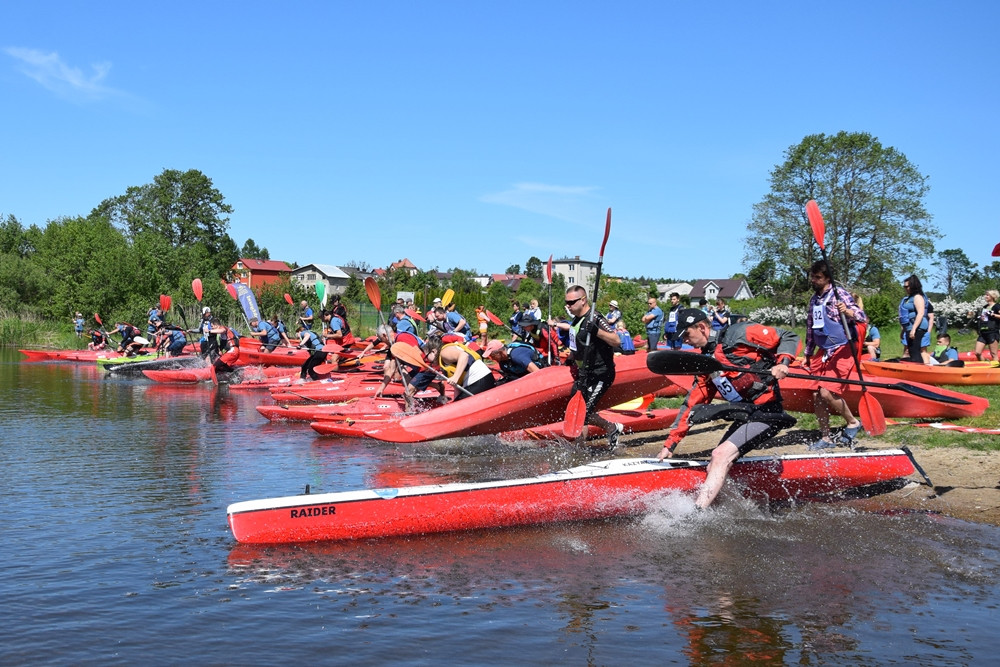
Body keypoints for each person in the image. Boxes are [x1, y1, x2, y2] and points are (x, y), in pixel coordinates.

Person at [657, 308, 798, 508]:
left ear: (702, 327)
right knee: (716, 463)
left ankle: (697, 513)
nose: (685, 341)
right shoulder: (706, 363)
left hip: (769, 413)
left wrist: (784, 363)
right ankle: (736, 506)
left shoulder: (739, 333)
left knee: (720, 455)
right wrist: (670, 444)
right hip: (747, 414)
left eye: (687, 334)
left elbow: (788, 335)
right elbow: (693, 403)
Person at [805, 260, 868, 450]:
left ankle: (852, 422)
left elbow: (862, 316)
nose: (814, 280)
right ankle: (826, 437)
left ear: (827, 278)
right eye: (813, 277)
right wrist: (808, 353)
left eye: (818, 277)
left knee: (827, 391)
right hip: (823, 351)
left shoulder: (839, 295)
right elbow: (811, 329)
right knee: (817, 395)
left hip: (842, 350)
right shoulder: (814, 300)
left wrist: (847, 311)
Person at [556, 285, 623, 448]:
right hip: (584, 373)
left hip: (601, 373)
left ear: (583, 300)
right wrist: (568, 360)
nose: (568, 306)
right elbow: (576, 348)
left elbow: (616, 341)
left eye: (571, 302)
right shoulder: (576, 320)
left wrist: (596, 332)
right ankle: (606, 432)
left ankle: (583, 448)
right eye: (567, 303)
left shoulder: (596, 318)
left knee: (583, 413)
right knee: (576, 411)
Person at [421, 335, 495, 401]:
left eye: (426, 357)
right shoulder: (443, 359)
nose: (426, 360)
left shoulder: (444, 352)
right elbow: (457, 386)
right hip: (481, 380)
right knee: (457, 403)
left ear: (433, 351)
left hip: (480, 380)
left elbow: (464, 356)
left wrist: (455, 377)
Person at [899, 275, 928, 363]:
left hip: (917, 327)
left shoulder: (918, 297)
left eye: (907, 286)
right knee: (911, 350)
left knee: (915, 350)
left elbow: (920, 313)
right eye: (904, 286)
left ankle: (920, 371)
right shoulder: (908, 299)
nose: (906, 288)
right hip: (909, 327)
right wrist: (903, 331)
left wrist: (914, 329)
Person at [973, 290, 1000, 362]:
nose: (986, 296)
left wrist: (993, 315)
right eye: (986, 295)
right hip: (983, 332)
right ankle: (985, 364)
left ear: (993, 296)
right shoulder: (984, 307)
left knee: (993, 353)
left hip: (992, 332)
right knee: (977, 353)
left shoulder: (997, 306)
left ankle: (996, 371)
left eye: (988, 295)